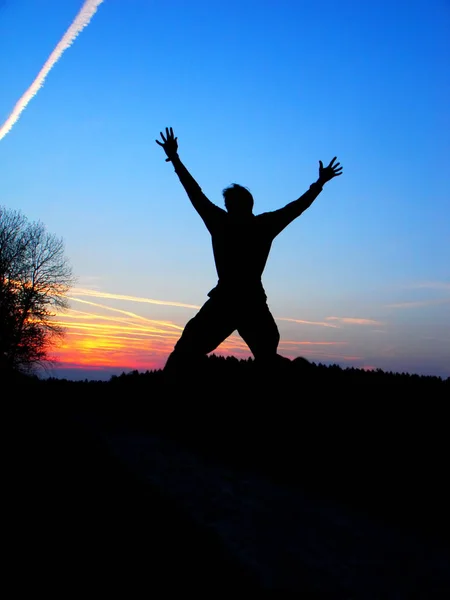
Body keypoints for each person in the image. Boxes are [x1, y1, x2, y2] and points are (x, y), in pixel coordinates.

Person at [156, 127, 343, 374]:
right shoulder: (258, 224)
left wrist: (176, 160)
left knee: (191, 352)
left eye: (229, 204)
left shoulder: (227, 222)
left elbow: (195, 193)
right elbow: (296, 208)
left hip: (236, 302)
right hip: (242, 302)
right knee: (196, 352)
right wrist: (319, 184)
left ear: (239, 205)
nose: (228, 207)